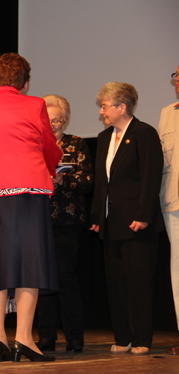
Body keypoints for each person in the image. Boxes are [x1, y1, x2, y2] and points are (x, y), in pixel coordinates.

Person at [0, 53, 62, 362]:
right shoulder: (34, 105)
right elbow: (49, 148)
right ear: (25, 82)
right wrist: (49, 166)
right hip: (28, 190)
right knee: (29, 263)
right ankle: (22, 339)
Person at [90, 82, 163, 355]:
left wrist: (144, 214)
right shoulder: (105, 137)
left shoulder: (144, 133)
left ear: (123, 106)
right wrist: (98, 215)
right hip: (112, 223)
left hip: (137, 222)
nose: (101, 111)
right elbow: (102, 182)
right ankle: (123, 337)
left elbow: (150, 177)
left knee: (139, 283)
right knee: (116, 283)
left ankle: (142, 338)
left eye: (105, 106)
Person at [35, 95, 93, 353]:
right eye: (50, 119)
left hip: (68, 221)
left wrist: (64, 181)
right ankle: (46, 336)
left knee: (65, 277)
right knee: (42, 280)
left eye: (59, 119)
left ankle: (74, 337)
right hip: (38, 220)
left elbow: (88, 180)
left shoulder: (76, 143)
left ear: (66, 119)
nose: (55, 124)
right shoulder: (34, 144)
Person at [158, 66, 179, 355]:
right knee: (178, 269)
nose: (176, 81)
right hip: (174, 202)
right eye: (175, 76)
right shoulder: (166, 112)